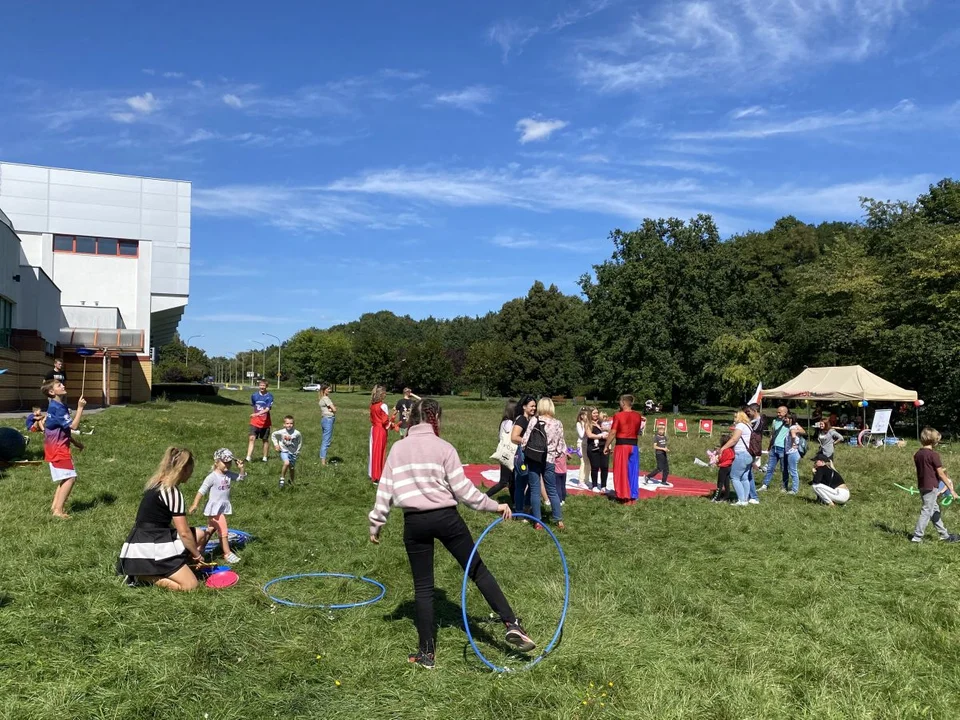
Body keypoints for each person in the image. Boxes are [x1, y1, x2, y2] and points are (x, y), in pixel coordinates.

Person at [368, 398, 536, 668]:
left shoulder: (398, 448)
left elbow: (384, 490)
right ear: (436, 418)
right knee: (477, 570)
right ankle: (511, 622)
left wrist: (376, 523)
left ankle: (426, 654)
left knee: (423, 588)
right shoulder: (444, 447)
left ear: (412, 418)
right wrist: (495, 505)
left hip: (415, 523)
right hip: (447, 518)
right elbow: (465, 492)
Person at [117, 447, 209, 590]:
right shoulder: (172, 492)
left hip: (141, 538)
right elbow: (183, 532)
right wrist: (197, 555)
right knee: (190, 585)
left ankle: (180, 568)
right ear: (184, 469)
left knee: (201, 534)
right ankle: (143, 576)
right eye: (191, 469)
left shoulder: (157, 484)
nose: (191, 473)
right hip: (153, 543)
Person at [188, 448, 247, 563]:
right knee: (223, 529)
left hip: (221, 507)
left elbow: (241, 478)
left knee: (210, 529)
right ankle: (227, 553)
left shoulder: (228, 475)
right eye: (224, 462)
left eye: (229, 462)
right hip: (214, 509)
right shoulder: (212, 477)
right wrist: (195, 504)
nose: (228, 465)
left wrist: (241, 468)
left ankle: (199, 548)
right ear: (216, 462)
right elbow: (202, 490)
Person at [41, 378, 86, 519]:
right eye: (59, 385)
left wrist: (74, 442)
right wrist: (80, 408)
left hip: (56, 447)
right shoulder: (57, 408)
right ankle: (58, 511)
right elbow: (73, 426)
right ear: (51, 392)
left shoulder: (59, 406)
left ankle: (55, 506)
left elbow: (63, 430)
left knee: (65, 478)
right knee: (70, 478)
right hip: (57, 449)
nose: (63, 385)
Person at [911, 427, 959, 543]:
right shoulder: (934, 455)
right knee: (927, 511)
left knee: (934, 509)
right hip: (931, 487)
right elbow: (941, 475)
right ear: (935, 441)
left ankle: (944, 535)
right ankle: (917, 537)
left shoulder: (918, 454)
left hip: (922, 486)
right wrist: (951, 490)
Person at [522, 398, 565, 529]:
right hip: (550, 459)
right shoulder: (558, 423)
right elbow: (561, 445)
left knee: (535, 490)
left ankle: (537, 521)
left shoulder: (535, 420)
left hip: (534, 458)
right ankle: (559, 520)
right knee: (552, 490)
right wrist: (554, 454)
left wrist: (525, 451)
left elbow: (525, 440)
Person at [603, 394, 643, 505]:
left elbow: (613, 432)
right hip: (634, 445)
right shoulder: (638, 416)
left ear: (624, 403)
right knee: (633, 471)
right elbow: (637, 430)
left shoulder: (618, 416)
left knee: (621, 471)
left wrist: (606, 446)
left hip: (622, 445)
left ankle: (623, 496)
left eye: (620, 402)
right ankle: (633, 495)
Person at [510, 395, 541, 522]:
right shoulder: (522, 420)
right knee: (521, 484)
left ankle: (527, 509)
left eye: (535, 406)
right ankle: (519, 511)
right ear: (524, 407)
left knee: (532, 483)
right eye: (531, 406)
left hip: (531, 456)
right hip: (522, 457)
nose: (534, 408)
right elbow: (513, 437)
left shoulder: (532, 419)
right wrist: (527, 441)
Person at [717, 410, 756, 507]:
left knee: (734, 477)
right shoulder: (748, 426)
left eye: (735, 417)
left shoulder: (740, 426)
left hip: (741, 454)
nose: (734, 419)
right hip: (749, 454)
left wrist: (722, 448)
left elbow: (734, 439)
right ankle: (745, 499)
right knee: (744, 478)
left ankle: (741, 500)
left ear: (739, 417)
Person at [486, 399, 517, 499]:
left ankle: (515, 503)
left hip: (506, 453)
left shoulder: (504, 422)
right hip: (507, 454)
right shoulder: (509, 423)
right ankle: (484, 497)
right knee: (504, 482)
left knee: (512, 481)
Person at [760, 405, 790, 492]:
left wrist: (789, 422)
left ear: (785, 412)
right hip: (774, 447)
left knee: (784, 469)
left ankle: (784, 486)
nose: (778, 414)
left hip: (783, 448)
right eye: (777, 412)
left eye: (780, 412)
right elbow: (772, 434)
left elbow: (799, 429)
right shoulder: (775, 421)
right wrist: (770, 446)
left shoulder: (789, 421)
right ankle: (765, 485)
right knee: (770, 468)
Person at [246, 380, 274, 463]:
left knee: (265, 439)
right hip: (255, 421)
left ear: (266, 386)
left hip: (265, 422)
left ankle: (265, 457)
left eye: (263, 386)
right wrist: (256, 415)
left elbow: (267, 409)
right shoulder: (254, 395)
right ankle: (248, 457)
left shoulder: (270, 396)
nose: (262, 387)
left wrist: (257, 414)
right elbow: (254, 405)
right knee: (252, 438)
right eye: (260, 385)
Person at [272, 415, 303, 488]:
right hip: (284, 451)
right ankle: (282, 479)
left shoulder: (297, 433)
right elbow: (273, 435)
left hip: (293, 452)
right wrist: (276, 445)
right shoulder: (281, 432)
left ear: (293, 424)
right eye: (287, 423)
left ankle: (292, 482)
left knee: (291, 468)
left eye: (291, 423)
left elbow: (300, 442)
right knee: (286, 463)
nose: (289, 425)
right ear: (284, 424)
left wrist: (297, 451)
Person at [369, 385, 391, 483]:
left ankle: (373, 473)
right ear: (382, 394)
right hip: (380, 430)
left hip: (374, 429)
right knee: (380, 452)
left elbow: (371, 418)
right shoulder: (383, 405)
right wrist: (391, 425)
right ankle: (378, 475)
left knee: (374, 452)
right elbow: (385, 421)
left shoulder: (372, 405)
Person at [585, 407, 609, 493]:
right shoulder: (588, 423)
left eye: (597, 413)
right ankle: (594, 485)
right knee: (595, 467)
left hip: (604, 447)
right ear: (590, 414)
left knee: (605, 467)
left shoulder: (601, 423)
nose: (596, 415)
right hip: (593, 448)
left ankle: (603, 486)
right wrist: (601, 436)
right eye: (594, 413)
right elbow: (590, 435)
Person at [783, 412, 806, 495]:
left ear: (790, 419)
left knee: (793, 471)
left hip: (792, 452)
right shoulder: (795, 426)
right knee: (793, 470)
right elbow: (803, 431)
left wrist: (793, 443)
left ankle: (794, 490)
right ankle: (794, 488)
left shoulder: (792, 427)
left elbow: (793, 436)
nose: (784, 419)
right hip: (794, 452)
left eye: (786, 418)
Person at [318, 383, 337, 465]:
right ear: (324, 390)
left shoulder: (321, 398)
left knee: (324, 439)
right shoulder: (326, 398)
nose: (330, 390)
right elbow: (334, 409)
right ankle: (323, 462)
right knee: (326, 441)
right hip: (328, 419)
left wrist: (330, 409)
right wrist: (332, 409)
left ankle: (322, 459)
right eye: (328, 389)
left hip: (324, 419)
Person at [712, 433, 734, 502]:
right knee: (726, 482)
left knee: (720, 483)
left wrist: (717, 461)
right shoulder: (731, 449)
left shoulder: (724, 450)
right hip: (729, 467)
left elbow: (722, 459)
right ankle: (726, 497)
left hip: (723, 467)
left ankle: (717, 498)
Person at [575, 406, 592, 486]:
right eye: (585, 415)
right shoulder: (579, 424)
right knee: (583, 462)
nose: (587, 416)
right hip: (581, 444)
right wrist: (586, 426)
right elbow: (581, 435)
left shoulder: (588, 423)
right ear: (581, 416)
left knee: (588, 462)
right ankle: (581, 481)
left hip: (587, 443)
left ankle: (587, 479)